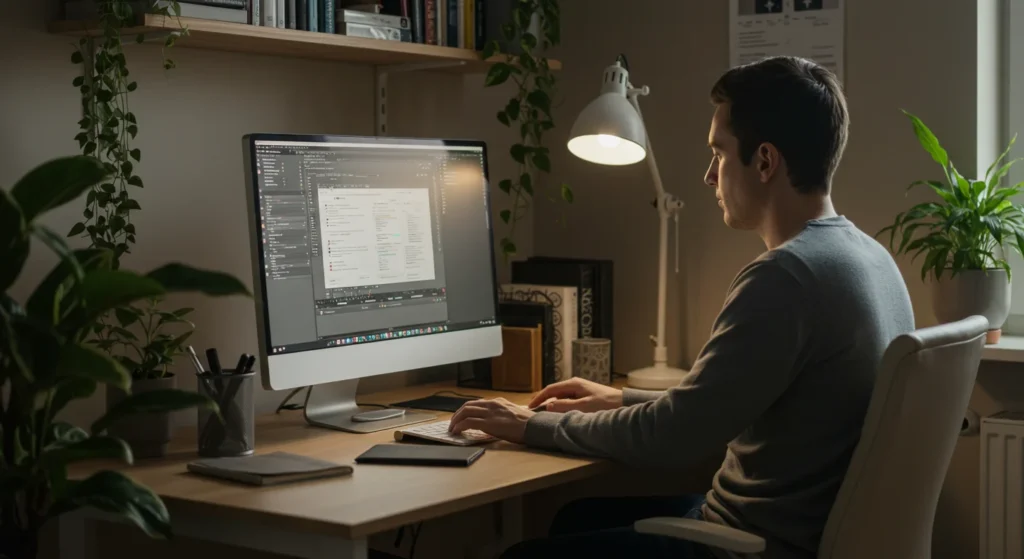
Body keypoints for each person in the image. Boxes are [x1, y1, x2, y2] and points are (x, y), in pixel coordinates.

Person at [448, 55, 914, 559]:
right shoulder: (868, 257)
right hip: (784, 530)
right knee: (571, 518)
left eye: (718, 153)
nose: (709, 176)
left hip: (747, 546)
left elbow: (674, 439)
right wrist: (618, 399)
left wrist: (528, 424)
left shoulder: (786, 277)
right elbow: (714, 407)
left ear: (764, 161)